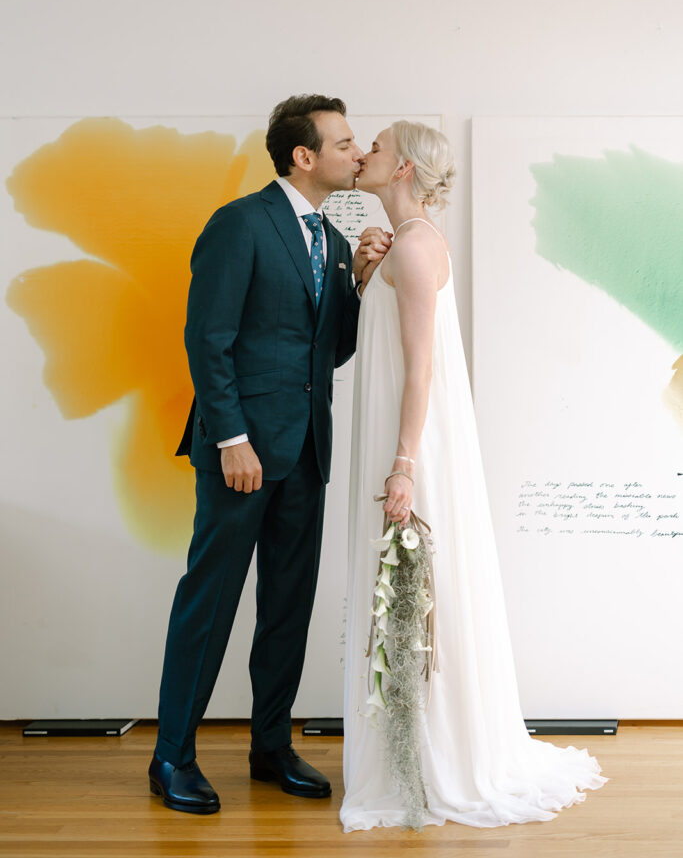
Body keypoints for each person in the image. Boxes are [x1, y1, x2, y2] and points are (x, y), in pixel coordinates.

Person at [340, 121, 608, 831]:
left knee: (415, 591)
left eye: (377, 144)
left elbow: (420, 368)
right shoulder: (402, 245)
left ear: (400, 169)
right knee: (401, 594)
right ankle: (408, 753)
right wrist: (364, 272)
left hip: (410, 451)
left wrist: (402, 465)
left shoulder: (421, 246)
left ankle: (433, 760)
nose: (363, 151)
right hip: (394, 443)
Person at [148, 94, 390, 814]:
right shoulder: (239, 224)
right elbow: (208, 339)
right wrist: (230, 439)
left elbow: (332, 349)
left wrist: (362, 283)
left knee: (287, 605)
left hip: (307, 448)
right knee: (211, 600)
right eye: (343, 143)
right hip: (241, 452)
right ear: (302, 156)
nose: (355, 153)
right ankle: (171, 759)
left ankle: (270, 747)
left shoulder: (335, 242)